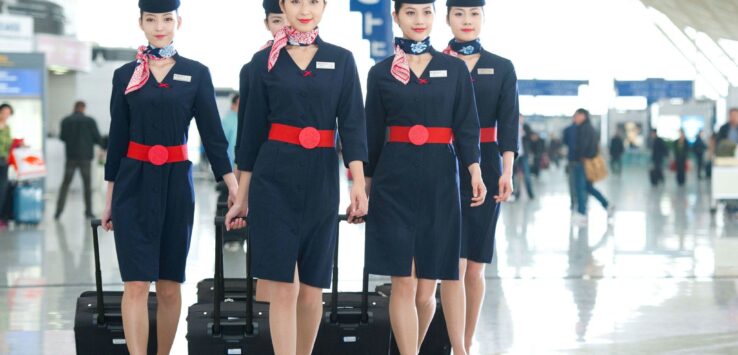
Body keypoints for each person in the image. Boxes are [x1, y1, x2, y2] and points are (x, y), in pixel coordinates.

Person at [224, 0, 369, 353]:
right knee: (283, 286)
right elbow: (251, 135)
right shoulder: (263, 63)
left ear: (324, 6)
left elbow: (352, 127)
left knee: (313, 288)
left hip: (321, 178)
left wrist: (359, 185)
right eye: (295, 1)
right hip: (273, 181)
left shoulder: (342, 60)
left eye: (313, 1)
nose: (305, 9)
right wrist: (241, 196)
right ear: (283, 6)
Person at [101, 1, 238, 354]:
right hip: (132, 183)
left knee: (168, 284)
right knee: (134, 283)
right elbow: (117, 141)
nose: (159, 26)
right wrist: (109, 198)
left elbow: (213, 137)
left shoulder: (196, 73)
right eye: (151, 19)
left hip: (177, 184)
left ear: (179, 21)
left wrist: (234, 188)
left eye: (166, 19)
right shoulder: (126, 75)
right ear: (141, 23)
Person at [363, 1, 485, 354]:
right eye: (410, 13)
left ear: (435, 18)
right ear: (396, 17)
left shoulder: (454, 69)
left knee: (426, 289)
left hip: (440, 180)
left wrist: (474, 169)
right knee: (403, 281)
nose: (419, 20)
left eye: (426, 12)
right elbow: (371, 132)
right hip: (393, 182)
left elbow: (466, 125)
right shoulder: (381, 72)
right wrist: (364, 188)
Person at [442, 0, 518, 353]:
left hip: (488, 164)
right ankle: (455, 345)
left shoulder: (501, 67)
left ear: (484, 19)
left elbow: (510, 124)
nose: (467, 21)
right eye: (459, 14)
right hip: (444, 160)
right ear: (447, 18)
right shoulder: (437, 63)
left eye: (474, 14)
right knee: (451, 264)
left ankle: (467, 342)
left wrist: (507, 172)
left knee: (475, 266)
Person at [233, 0, 286, 173]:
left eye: (290, 18)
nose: (285, 27)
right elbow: (245, 129)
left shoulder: (318, 64)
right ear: (267, 24)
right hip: (263, 164)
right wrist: (238, 177)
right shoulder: (253, 68)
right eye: (277, 21)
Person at [54, 101, 103, 220]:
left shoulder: (66, 120)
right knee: (87, 186)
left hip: (71, 157)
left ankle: (58, 212)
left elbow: (62, 137)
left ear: (74, 107)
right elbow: (97, 138)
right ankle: (89, 212)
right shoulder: (90, 121)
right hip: (85, 158)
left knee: (65, 184)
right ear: (83, 108)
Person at [564, 109, 611, 226]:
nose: (575, 118)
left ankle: (582, 214)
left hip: (582, 163)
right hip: (583, 162)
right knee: (588, 187)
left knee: (580, 188)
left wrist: (578, 158)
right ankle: (607, 205)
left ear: (583, 116)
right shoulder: (588, 127)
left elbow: (583, 146)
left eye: (577, 115)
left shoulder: (584, 129)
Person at [0, 103, 12, 230]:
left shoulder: (7, 127)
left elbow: (9, 143)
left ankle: (2, 217)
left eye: (9, 113)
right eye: (4, 112)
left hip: (4, 161)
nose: (6, 115)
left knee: (3, 189)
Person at [221, 94, 239, 167]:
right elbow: (222, 145)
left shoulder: (241, 120)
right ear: (233, 105)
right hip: (231, 165)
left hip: (238, 165)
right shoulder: (227, 121)